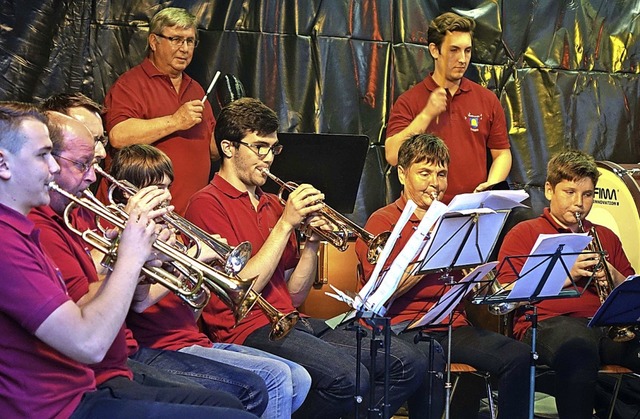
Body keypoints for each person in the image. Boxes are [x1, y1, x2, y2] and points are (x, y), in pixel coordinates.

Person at [0, 102, 257, 418]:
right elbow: (90, 344)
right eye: (43, 155)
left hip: (81, 388)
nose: (52, 167)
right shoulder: (7, 241)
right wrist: (129, 257)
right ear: (3, 164)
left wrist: (130, 260)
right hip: (61, 406)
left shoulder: (19, 230)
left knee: (231, 406)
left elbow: (81, 308)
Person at [185, 97, 430, 418]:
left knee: (408, 361)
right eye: (259, 147)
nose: (268, 159)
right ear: (229, 148)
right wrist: (287, 223)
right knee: (349, 377)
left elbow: (295, 293)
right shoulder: (206, 203)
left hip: (291, 321)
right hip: (245, 330)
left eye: (273, 149)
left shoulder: (272, 203)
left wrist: (312, 241)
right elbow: (241, 286)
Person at [111, 143, 312, 419]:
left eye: (168, 186)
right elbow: (139, 303)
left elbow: (191, 313)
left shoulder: (172, 230)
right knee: (274, 377)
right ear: (127, 191)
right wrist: (193, 258)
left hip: (193, 339)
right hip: (157, 348)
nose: (167, 196)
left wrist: (201, 278)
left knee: (300, 377)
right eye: (156, 188)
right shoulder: (128, 236)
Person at [356, 133, 530, 418]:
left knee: (518, 357)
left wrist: (479, 276)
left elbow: (476, 292)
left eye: (441, 174)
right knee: (431, 359)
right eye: (424, 173)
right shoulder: (383, 222)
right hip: (402, 328)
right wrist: (432, 252)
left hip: (451, 325)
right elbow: (381, 293)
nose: (434, 183)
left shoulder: (455, 218)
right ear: (402, 174)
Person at [498, 149, 640, 419]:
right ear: (549, 190)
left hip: (602, 324)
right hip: (545, 324)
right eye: (570, 192)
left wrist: (613, 275)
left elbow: (631, 290)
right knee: (578, 348)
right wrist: (567, 273)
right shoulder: (524, 233)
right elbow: (505, 296)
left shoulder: (604, 235)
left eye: (587, 195)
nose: (579, 203)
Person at [385, 12, 511, 203]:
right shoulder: (409, 101)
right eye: (454, 50)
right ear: (435, 50)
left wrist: (490, 186)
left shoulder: (487, 99)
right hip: (425, 213)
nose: (462, 59)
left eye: (467, 51)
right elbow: (393, 156)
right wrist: (426, 114)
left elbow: (501, 153)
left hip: (472, 210)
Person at [104, 7, 217, 215]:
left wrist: (236, 132)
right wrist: (175, 121)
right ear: (154, 42)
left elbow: (212, 149)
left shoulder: (196, 89)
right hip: (146, 217)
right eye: (176, 39)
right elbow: (118, 137)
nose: (184, 48)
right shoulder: (131, 84)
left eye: (190, 41)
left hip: (191, 217)